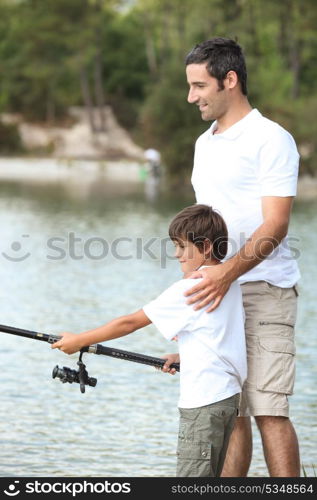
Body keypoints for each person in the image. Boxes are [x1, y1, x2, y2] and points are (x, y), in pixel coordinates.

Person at [165, 37, 300, 477]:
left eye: (199, 86)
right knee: (229, 410)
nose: (191, 97)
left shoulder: (271, 139)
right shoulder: (204, 144)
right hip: (216, 297)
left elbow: (275, 225)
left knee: (268, 409)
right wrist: (196, 321)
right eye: (189, 86)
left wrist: (226, 275)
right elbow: (202, 234)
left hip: (264, 291)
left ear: (230, 79)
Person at [51, 204, 247, 477]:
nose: (176, 254)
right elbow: (220, 337)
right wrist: (182, 357)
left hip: (203, 403)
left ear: (204, 247)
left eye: (181, 246)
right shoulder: (229, 283)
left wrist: (79, 340)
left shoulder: (192, 287)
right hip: (226, 400)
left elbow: (130, 322)